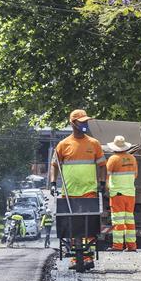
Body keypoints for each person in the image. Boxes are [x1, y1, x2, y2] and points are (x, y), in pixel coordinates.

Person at [49, 109, 107, 269]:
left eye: (86, 121)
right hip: (69, 193)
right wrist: (53, 183)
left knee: (88, 226)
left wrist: (102, 183)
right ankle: (75, 259)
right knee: (73, 227)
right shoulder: (63, 145)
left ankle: (88, 258)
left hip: (89, 191)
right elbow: (54, 165)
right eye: (81, 122)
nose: (85, 124)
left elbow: (102, 165)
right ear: (73, 123)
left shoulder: (93, 144)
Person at [106, 135, 138, 252]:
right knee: (129, 220)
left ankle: (117, 246)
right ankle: (131, 246)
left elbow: (107, 176)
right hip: (130, 193)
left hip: (117, 194)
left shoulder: (113, 159)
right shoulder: (132, 158)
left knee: (118, 220)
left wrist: (106, 188)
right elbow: (135, 175)